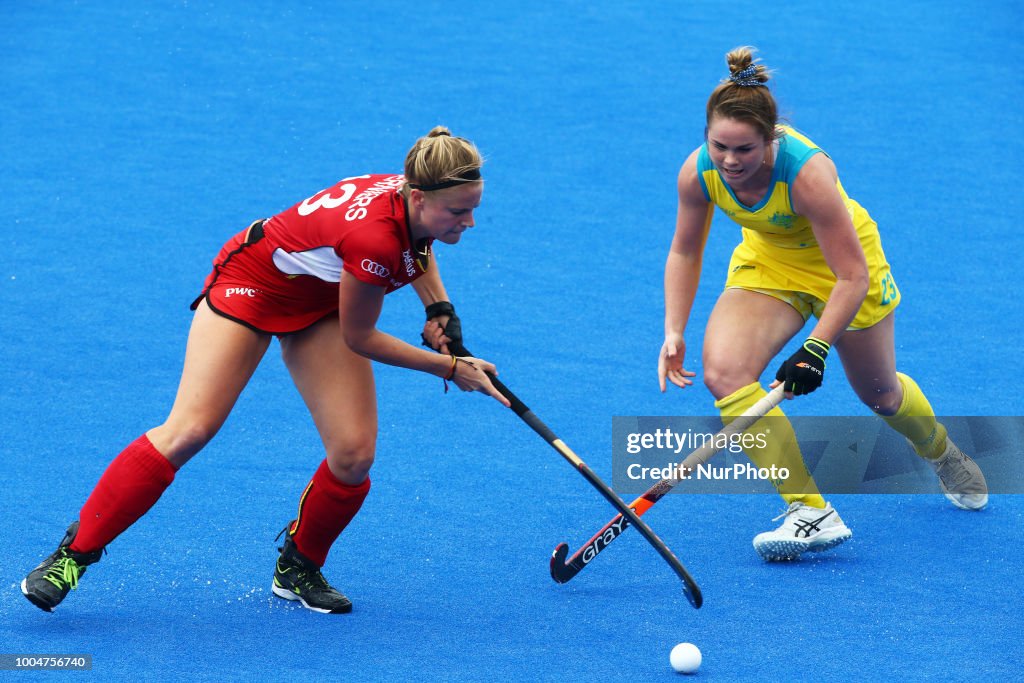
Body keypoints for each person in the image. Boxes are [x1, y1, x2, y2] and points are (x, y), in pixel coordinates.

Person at [22, 126, 509, 614]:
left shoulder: (410, 198)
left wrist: (438, 308)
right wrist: (450, 368)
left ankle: (298, 568)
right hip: (252, 285)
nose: (469, 222)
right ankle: (73, 555)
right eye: (458, 211)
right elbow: (359, 337)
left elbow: (418, 244)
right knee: (190, 429)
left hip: (321, 299)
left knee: (353, 456)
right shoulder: (373, 237)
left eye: (473, 208)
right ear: (418, 195)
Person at [657, 47, 988, 561]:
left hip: (846, 266)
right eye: (719, 145)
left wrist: (814, 349)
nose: (729, 160)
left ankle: (940, 450)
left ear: (770, 141)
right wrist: (673, 329)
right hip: (769, 264)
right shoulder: (698, 174)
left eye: (744, 149)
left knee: (881, 396)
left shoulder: (807, 174)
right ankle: (809, 511)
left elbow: (852, 276)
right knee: (725, 374)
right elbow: (684, 249)